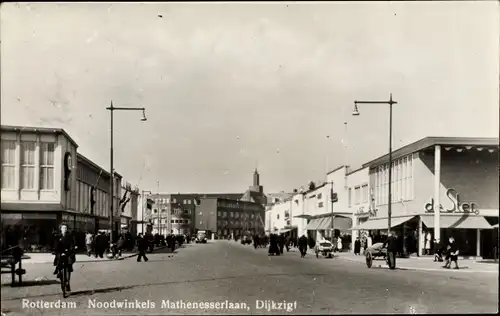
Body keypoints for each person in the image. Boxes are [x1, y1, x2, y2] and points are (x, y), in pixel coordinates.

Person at [53, 224, 76, 292]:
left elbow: (72, 245)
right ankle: (59, 272)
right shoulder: (57, 237)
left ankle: (68, 282)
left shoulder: (70, 237)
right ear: (60, 229)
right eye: (63, 228)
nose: (64, 229)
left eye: (65, 228)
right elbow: (56, 246)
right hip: (60, 253)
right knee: (59, 264)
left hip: (68, 253)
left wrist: (69, 251)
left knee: (69, 267)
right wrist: (57, 252)